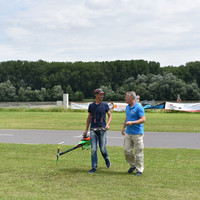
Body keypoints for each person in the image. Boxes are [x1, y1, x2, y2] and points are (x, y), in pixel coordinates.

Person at [84, 88, 112, 174]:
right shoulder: (91, 106)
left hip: (102, 130)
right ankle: (94, 167)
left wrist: (107, 125)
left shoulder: (105, 105)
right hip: (93, 130)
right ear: (96, 95)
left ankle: (106, 158)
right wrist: (86, 130)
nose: (102, 96)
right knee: (93, 149)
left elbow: (110, 116)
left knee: (102, 149)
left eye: (102, 94)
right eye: (100, 94)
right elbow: (89, 118)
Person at [121, 91, 146, 176]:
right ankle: (133, 165)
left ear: (131, 98)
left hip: (137, 133)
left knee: (138, 152)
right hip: (128, 132)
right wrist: (123, 127)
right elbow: (127, 117)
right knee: (126, 150)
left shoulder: (139, 107)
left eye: (126, 97)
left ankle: (139, 170)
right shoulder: (127, 107)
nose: (125, 98)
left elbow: (143, 119)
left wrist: (133, 122)